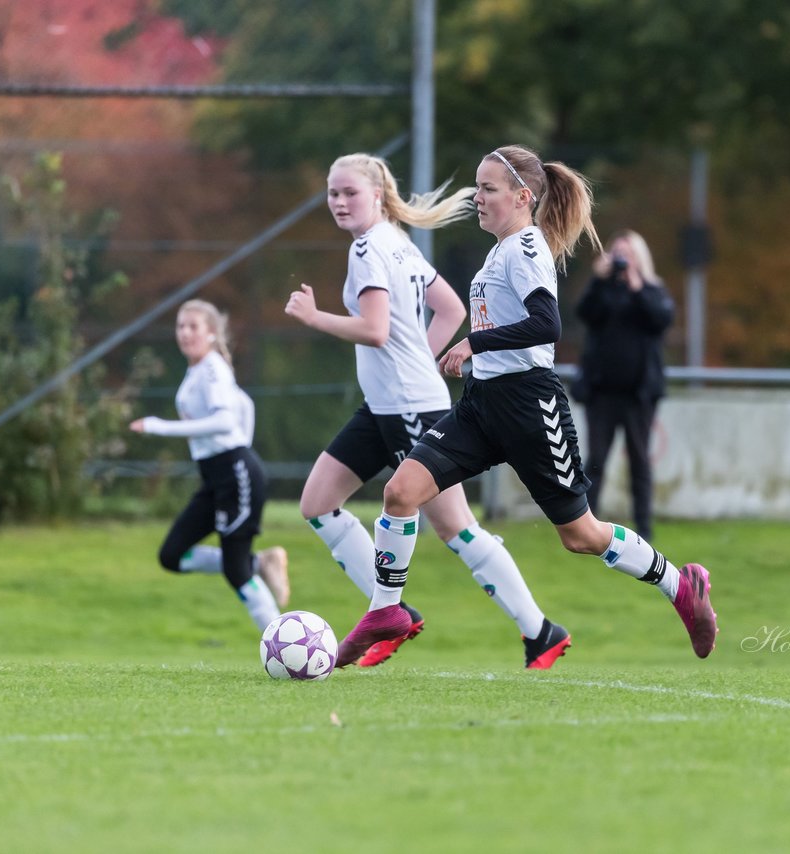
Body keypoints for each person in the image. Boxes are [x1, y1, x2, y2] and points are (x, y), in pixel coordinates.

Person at [333, 144, 718, 668]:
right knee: (401, 491)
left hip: (531, 408)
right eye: (477, 187)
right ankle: (385, 611)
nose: (478, 198)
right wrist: (476, 348)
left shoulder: (527, 248)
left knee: (581, 536)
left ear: (522, 196)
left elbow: (547, 325)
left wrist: (474, 342)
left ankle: (681, 584)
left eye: (488, 189)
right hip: (482, 406)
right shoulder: (499, 250)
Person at [284, 152, 568, 669]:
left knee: (457, 529)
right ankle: (391, 611)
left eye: (350, 192)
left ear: (377, 194)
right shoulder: (396, 241)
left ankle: (539, 630)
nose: (340, 202)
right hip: (385, 404)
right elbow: (453, 308)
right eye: (332, 193)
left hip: (409, 404)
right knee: (318, 503)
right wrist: (428, 358)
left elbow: (375, 329)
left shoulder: (372, 248)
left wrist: (314, 317)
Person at [130, 299, 290, 633]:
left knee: (236, 571)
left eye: (193, 326)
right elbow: (244, 405)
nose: (185, 333)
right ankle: (260, 563)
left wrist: (162, 426)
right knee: (172, 555)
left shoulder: (213, 368)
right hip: (215, 479)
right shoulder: (200, 370)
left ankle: (283, 642)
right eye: (180, 326)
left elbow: (224, 420)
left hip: (236, 476)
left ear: (212, 334)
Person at [575, 229, 674, 540]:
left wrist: (636, 285)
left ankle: (644, 526)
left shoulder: (652, 290)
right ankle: (585, 525)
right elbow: (584, 313)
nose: (621, 260)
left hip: (638, 394)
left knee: (640, 461)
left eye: (627, 254)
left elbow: (660, 319)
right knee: (596, 460)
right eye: (616, 254)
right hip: (602, 392)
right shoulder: (602, 291)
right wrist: (599, 280)